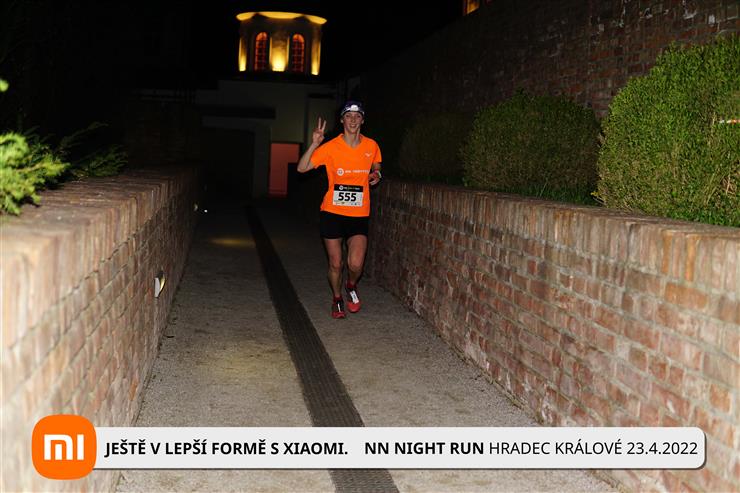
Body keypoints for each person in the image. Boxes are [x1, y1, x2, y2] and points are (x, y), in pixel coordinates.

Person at [296, 101, 382, 319]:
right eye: (348, 116)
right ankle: (337, 298)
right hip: (332, 213)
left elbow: (377, 164)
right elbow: (302, 168)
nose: (353, 120)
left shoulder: (371, 145)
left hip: (358, 214)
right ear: (342, 120)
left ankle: (351, 285)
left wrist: (377, 174)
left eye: (357, 116)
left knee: (356, 263)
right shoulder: (330, 147)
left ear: (362, 120)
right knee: (336, 263)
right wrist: (315, 144)